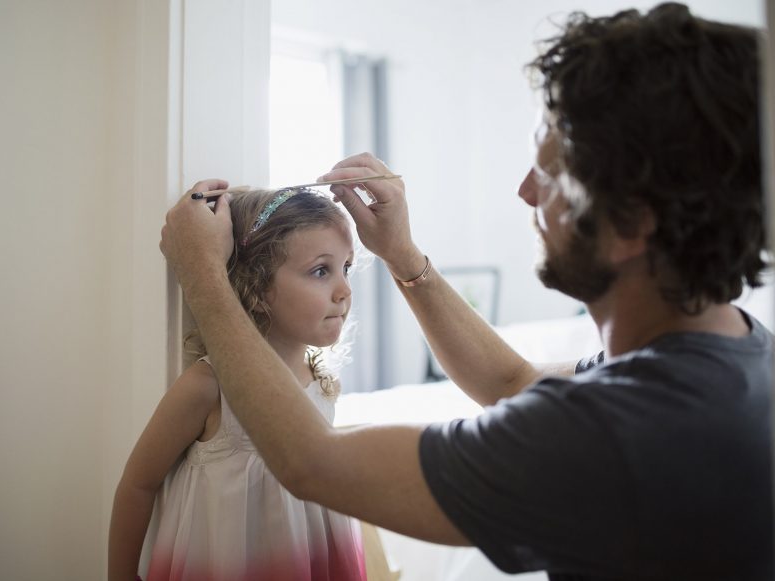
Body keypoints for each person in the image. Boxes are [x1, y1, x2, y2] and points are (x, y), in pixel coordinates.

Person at [160, 3, 773, 580]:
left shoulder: (616, 435)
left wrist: (204, 274)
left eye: (551, 173)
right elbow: (510, 381)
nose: (526, 192)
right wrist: (403, 256)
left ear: (634, 223)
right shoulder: (737, 356)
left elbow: (312, 463)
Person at [110, 187, 367, 581]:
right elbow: (138, 484)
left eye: (346, 267)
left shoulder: (321, 381)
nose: (345, 289)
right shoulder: (208, 387)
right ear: (259, 288)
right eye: (321, 271)